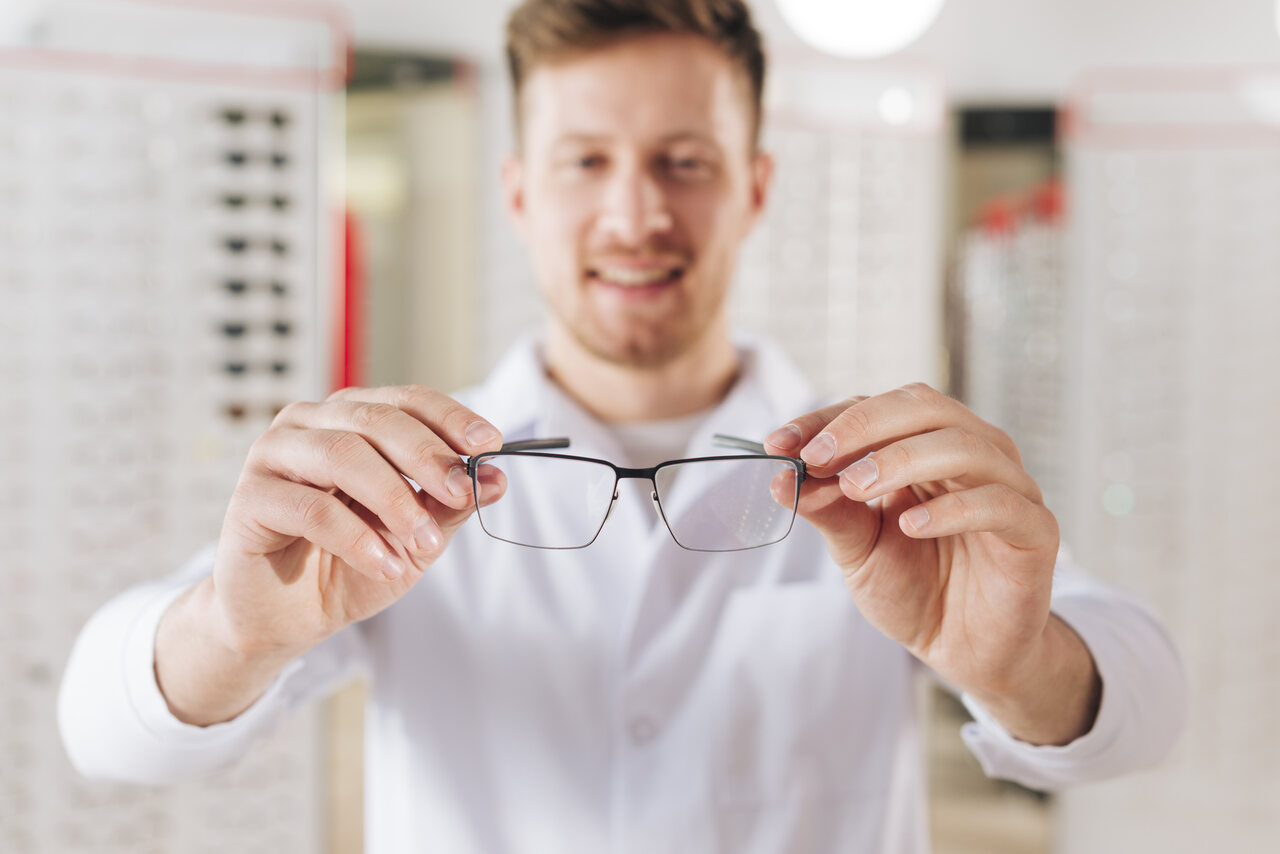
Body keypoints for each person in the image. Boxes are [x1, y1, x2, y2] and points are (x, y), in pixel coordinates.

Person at [59, 0, 1186, 850]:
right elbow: (103, 730)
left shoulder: (880, 482)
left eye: (682, 163)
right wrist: (235, 629)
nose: (635, 213)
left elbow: (1141, 709)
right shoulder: (394, 483)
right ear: (517, 194)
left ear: (752, 187)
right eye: (585, 160)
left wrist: (1021, 660)